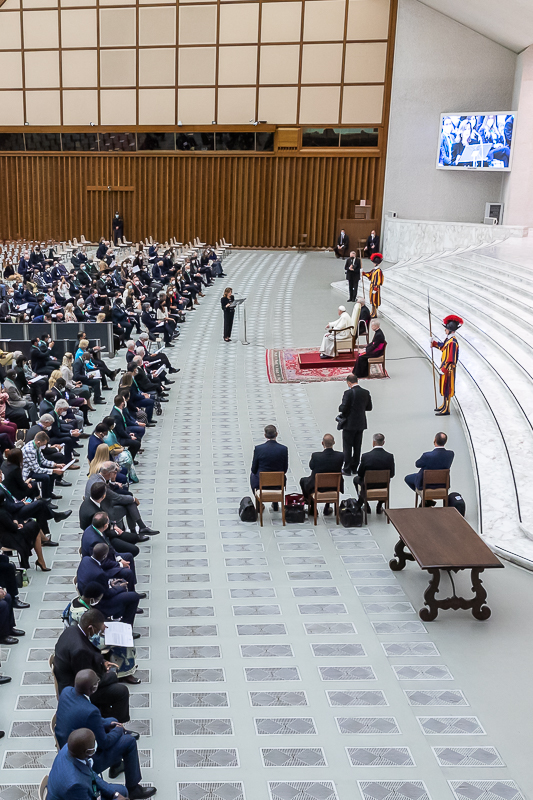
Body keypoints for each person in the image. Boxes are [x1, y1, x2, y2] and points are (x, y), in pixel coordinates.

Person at [55, 671, 155, 799]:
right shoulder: (91, 711)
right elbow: (105, 742)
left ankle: (117, 765)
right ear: (93, 688)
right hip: (81, 754)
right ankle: (134, 788)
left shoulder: (66, 691)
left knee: (112, 719)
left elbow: (84, 717)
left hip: (69, 745)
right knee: (129, 741)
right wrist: (118, 730)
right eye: (97, 682)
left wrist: (110, 724)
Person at [53, 608, 131, 721]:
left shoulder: (72, 630)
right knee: (121, 691)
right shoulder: (79, 650)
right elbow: (86, 683)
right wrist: (111, 675)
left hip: (72, 675)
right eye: (97, 631)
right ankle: (116, 726)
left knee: (112, 681)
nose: (97, 633)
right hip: (75, 691)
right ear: (90, 628)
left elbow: (90, 651)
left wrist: (102, 662)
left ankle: (105, 714)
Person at [65, 583, 140, 684]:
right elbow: (94, 639)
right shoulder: (81, 613)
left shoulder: (76, 600)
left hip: (85, 634)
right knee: (123, 641)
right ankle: (125, 673)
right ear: (92, 598)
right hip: (85, 640)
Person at [46, 729, 128, 800]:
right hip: (75, 795)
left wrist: (114, 794)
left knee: (122, 791)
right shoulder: (75, 784)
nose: (95, 743)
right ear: (88, 752)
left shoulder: (69, 748)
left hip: (80, 791)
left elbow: (91, 774)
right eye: (94, 742)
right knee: (123, 794)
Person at [76, 543, 141, 627]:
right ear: (104, 556)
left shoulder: (85, 559)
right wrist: (120, 587)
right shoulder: (99, 574)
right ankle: (126, 627)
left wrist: (109, 584)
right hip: (98, 604)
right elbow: (107, 595)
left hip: (86, 596)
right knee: (134, 597)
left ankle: (118, 616)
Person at [299, 433, 344, 516]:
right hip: (334, 486)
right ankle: (327, 506)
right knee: (330, 478)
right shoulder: (340, 456)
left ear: (322, 443)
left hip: (318, 486)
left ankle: (312, 507)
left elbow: (311, 467)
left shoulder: (316, 456)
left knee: (303, 481)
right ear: (334, 442)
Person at [404, 431, 455, 502]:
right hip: (442, 484)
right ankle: (427, 500)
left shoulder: (427, 455)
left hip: (426, 484)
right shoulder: (450, 454)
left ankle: (426, 498)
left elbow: (417, 464)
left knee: (407, 478)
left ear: (435, 440)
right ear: (445, 442)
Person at [337, 373, 372, 475]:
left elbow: (343, 408)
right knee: (357, 446)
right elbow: (369, 407)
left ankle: (347, 468)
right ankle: (354, 467)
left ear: (348, 382)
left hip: (349, 424)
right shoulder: (365, 392)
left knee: (347, 446)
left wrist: (340, 408)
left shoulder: (348, 393)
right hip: (361, 423)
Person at [353, 433, 395, 513]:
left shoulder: (366, 456)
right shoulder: (389, 456)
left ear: (373, 442)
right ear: (383, 442)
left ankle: (365, 502)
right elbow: (392, 474)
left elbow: (360, 474)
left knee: (356, 479)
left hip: (368, 485)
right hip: (383, 485)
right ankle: (379, 505)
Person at [250, 425, 288, 510]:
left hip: (261, 483)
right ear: (277, 434)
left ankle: (259, 503)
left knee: (252, 475)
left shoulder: (259, 449)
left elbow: (254, 468)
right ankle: (275, 502)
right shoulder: (283, 449)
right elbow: (285, 469)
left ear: (265, 435)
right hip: (278, 483)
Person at [431, 315, 462, 416]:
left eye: (447, 329)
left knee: (447, 389)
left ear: (451, 331)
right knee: (444, 388)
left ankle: (447, 408)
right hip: (445, 368)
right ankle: (444, 405)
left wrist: (444, 368)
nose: (445, 330)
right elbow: (443, 347)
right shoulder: (448, 340)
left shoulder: (453, 342)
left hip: (448, 369)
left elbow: (451, 359)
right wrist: (434, 343)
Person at [362, 253, 384, 318]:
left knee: (375, 301)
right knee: (372, 300)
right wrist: (364, 273)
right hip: (372, 286)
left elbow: (379, 280)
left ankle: (375, 313)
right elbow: (370, 275)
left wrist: (375, 288)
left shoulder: (378, 271)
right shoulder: (374, 270)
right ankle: (372, 311)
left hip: (375, 288)